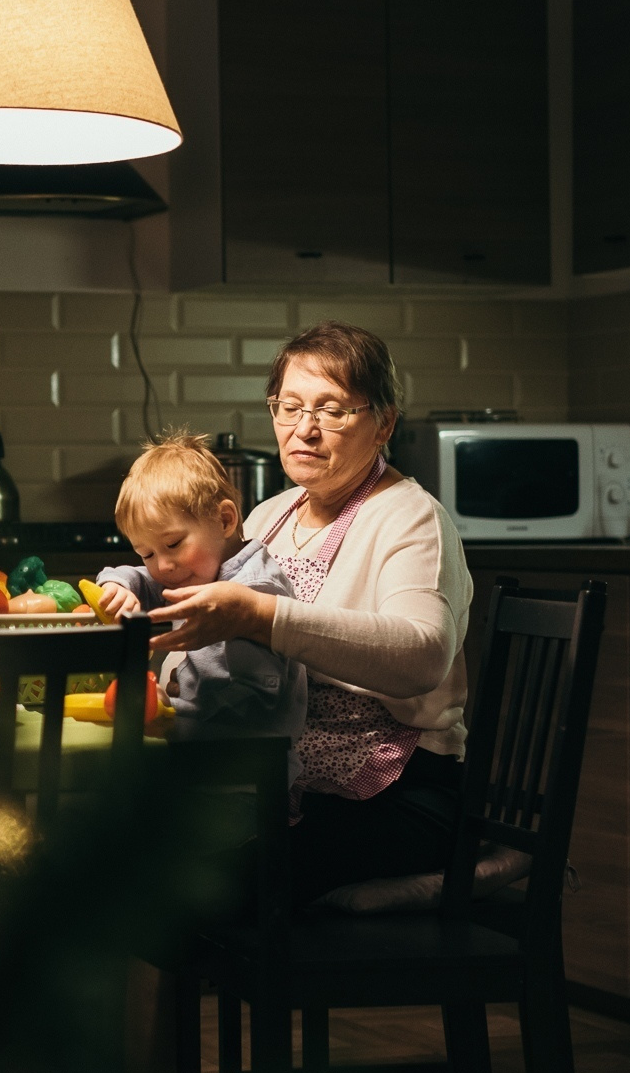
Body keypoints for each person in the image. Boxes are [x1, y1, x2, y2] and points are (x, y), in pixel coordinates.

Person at [147, 320, 475, 905]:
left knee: (181, 891)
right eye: (289, 407)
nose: (305, 430)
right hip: (282, 783)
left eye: (333, 411)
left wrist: (261, 617)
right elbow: (200, 635)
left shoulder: (410, 518)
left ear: (385, 424)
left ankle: (450, 879)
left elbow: (422, 653)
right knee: (138, 861)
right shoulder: (270, 515)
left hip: (398, 793)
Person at [93, 433, 305, 742]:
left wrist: (175, 714)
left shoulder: (254, 589)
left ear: (224, 520)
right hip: (202, 752)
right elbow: (132, 576)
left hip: (246, 771)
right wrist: (117, 587)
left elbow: (254, 702)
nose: (162, 566)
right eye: (147, 553)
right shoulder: (197, 572)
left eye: (174, 544)